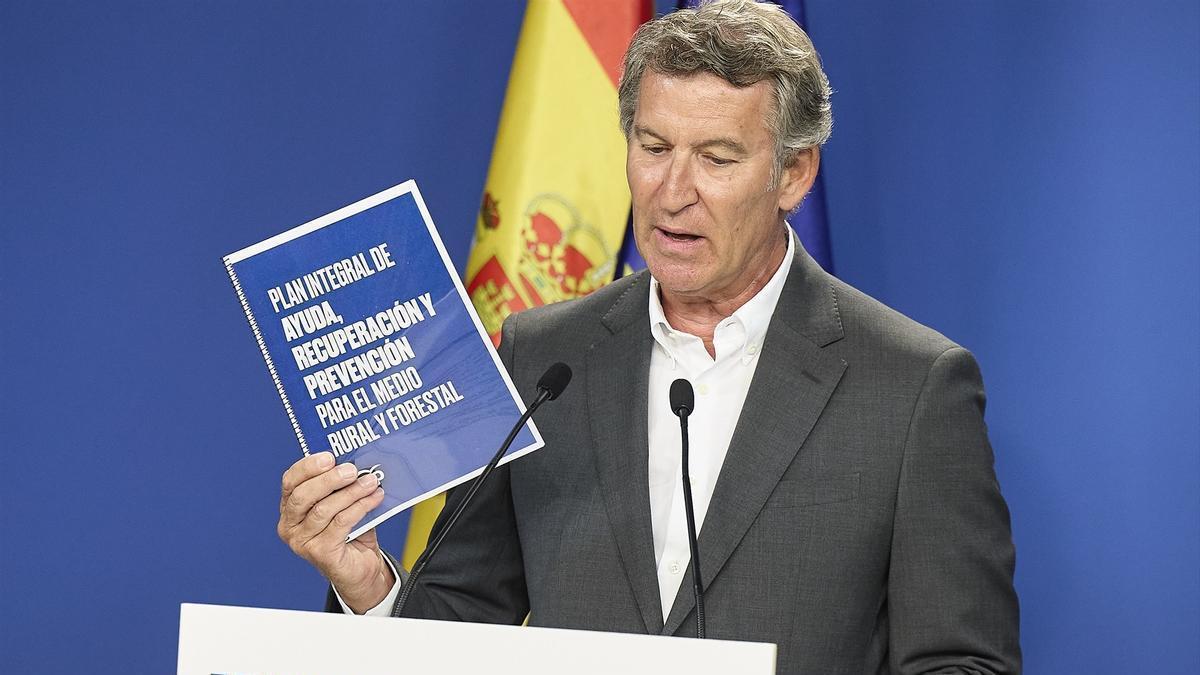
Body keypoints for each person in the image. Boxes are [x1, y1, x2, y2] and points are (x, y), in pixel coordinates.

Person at [277, 1, 1021, 672]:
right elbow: (460, 626)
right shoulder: (542, 358)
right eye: (654, 146)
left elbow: (964, 663)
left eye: (717, 158)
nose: (672, 190)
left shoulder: (913, 386)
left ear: (793, 174)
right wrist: (367, 582)